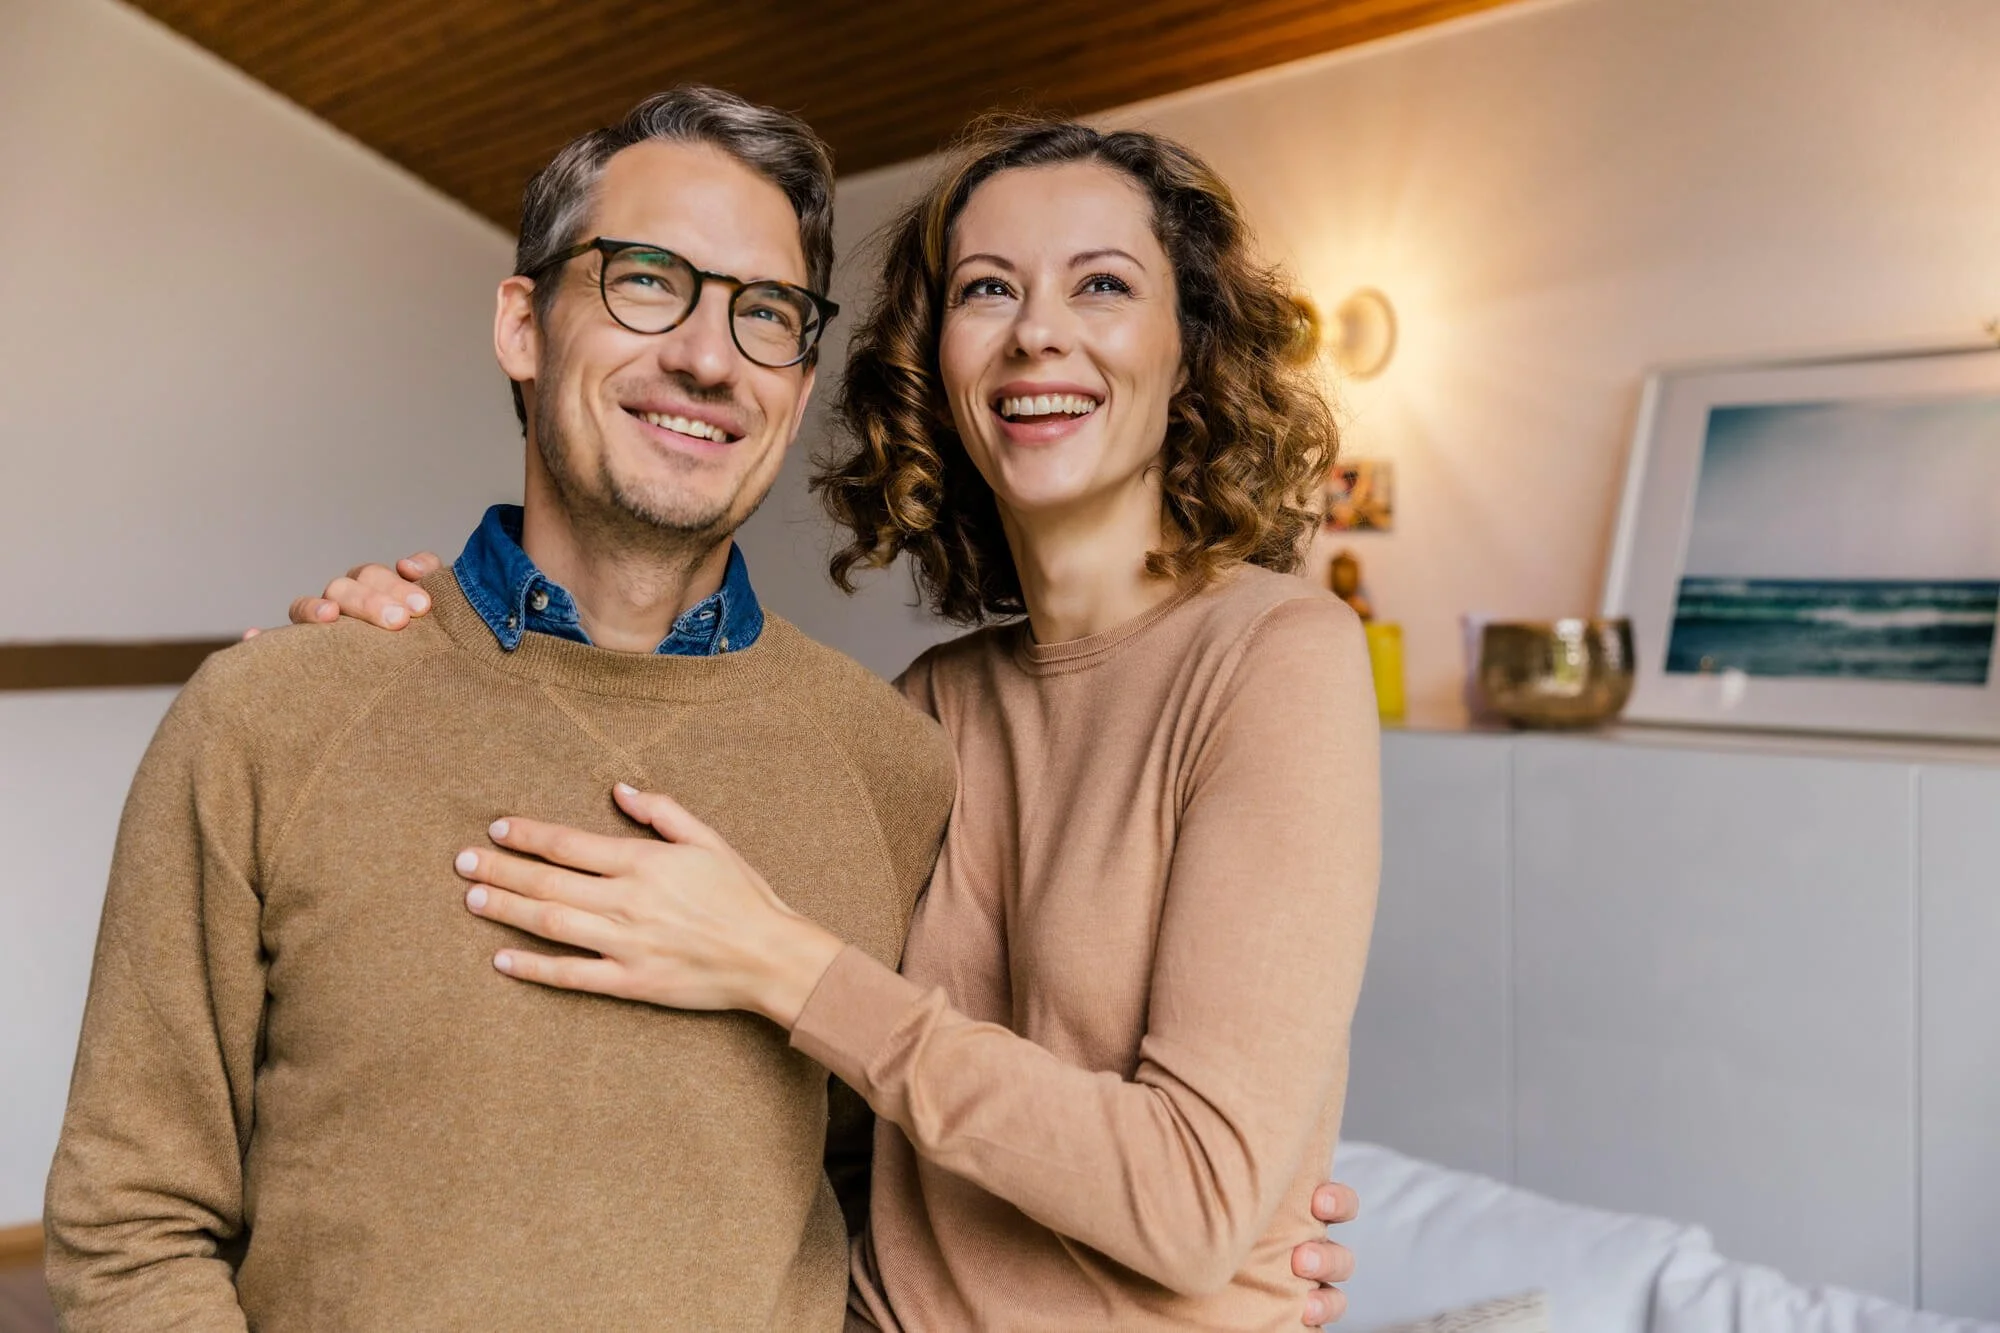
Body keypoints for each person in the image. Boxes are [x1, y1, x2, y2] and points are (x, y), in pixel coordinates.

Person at [49, 88, 1358, 1329]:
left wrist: (1227, 1261)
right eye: (644, 280)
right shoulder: (280, 711)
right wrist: (350, 676)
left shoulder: (897, 749)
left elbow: (1027, 1172)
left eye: (764, 313)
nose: (704, 356)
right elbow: (132, 1229)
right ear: (523, 326)